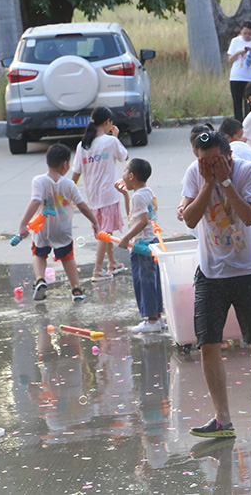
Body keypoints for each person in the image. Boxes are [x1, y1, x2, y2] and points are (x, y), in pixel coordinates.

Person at [181, 132, 251, 437]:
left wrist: (225, 182)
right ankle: (221, 418)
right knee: (208, 344)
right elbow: (189, 219)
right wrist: (207, 183)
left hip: (247, 271)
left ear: (228, 156)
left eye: (215, 160)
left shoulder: (247, 171)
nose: (208, 166)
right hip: (210, 273)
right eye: (203, 161)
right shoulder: (195, 173)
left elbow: (249, 216)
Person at [18, 143, 99, 303]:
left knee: (39, 254)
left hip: (42, 229)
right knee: (67, 257)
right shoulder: (69, 184)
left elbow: (35, 202)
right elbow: (82, 205)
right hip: (63, 230)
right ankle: (76, 290)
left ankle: (40, 279)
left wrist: (23, 224)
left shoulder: (39, 180)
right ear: (65, 164)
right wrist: (95, 221)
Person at [71, 106, 129, 279]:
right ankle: (97, 270)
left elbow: (76, 173)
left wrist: (69, 195)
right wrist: (116, 137)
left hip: (93, 196)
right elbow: (124, 156)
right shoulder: (110, 142)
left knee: (105, 230)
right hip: (109, 194)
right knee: (105, 233)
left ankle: (112, 263)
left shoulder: (83, 145)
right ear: (107, 123)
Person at [114, 158, 164, 334]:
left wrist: (126, 238)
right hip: (151, 243)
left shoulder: (139, 196)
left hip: (142, 245)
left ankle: (152, 321)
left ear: (132, 176)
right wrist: (125, 196)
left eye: (125, 171)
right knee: (152, 281)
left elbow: (142, 222)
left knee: (145, 283)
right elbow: (133, 217)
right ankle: (157, 317)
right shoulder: (146, 192)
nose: (123, 174)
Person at [226, 21, 251, 121]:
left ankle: (248, 123)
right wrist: (239, 52)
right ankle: (238, 124)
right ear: (241, 31)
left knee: (249, 102)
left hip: (250, 77)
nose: (247, 36)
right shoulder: (235, 41)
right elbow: (230, 59)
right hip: (236, 76)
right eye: (245, 33)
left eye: (250, 34)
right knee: (237, 103)